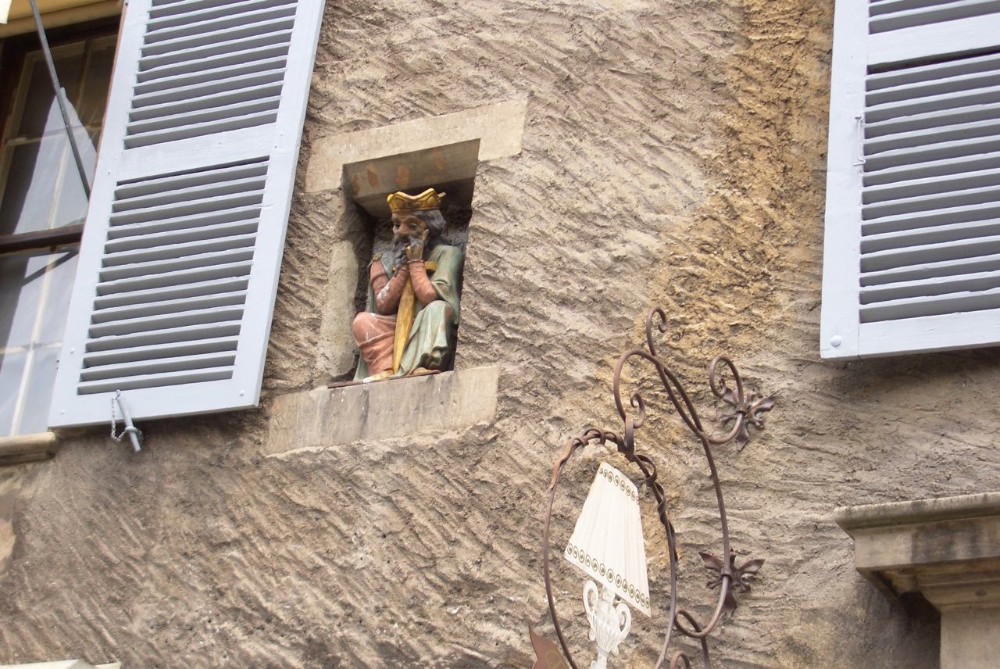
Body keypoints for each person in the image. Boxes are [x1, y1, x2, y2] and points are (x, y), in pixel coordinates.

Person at [352, 188, 463, 382]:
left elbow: (429, 296)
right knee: (362, 321)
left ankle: (422, 364)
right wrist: (403, 268)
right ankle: (385, 367)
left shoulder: (448, 254)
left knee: (438, 308)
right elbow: (383, 304)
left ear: (429, 231)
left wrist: (416, 263)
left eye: (412, 226)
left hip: (424, 325)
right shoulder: (382, 262)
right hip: (392, 328)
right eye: (396, 225)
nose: (401, 232)